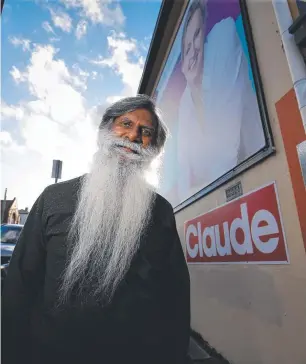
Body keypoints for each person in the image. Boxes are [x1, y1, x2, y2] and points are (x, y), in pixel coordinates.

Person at [2, 95, 190, 364]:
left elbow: (174, 298)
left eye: (145, 132)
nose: (133, 136)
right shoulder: (54, 198)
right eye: (125, 123)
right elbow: (20, 283)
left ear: (153, 147)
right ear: (106, 130)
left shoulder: (160, 211)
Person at [176, 0, 266, 203]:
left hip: (257, 176)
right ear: (181, 65)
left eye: (197, 35)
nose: (193, 52)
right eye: (186, 47)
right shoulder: (184, 104)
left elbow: (224, 159)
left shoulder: (222, 37)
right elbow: (183, 179)